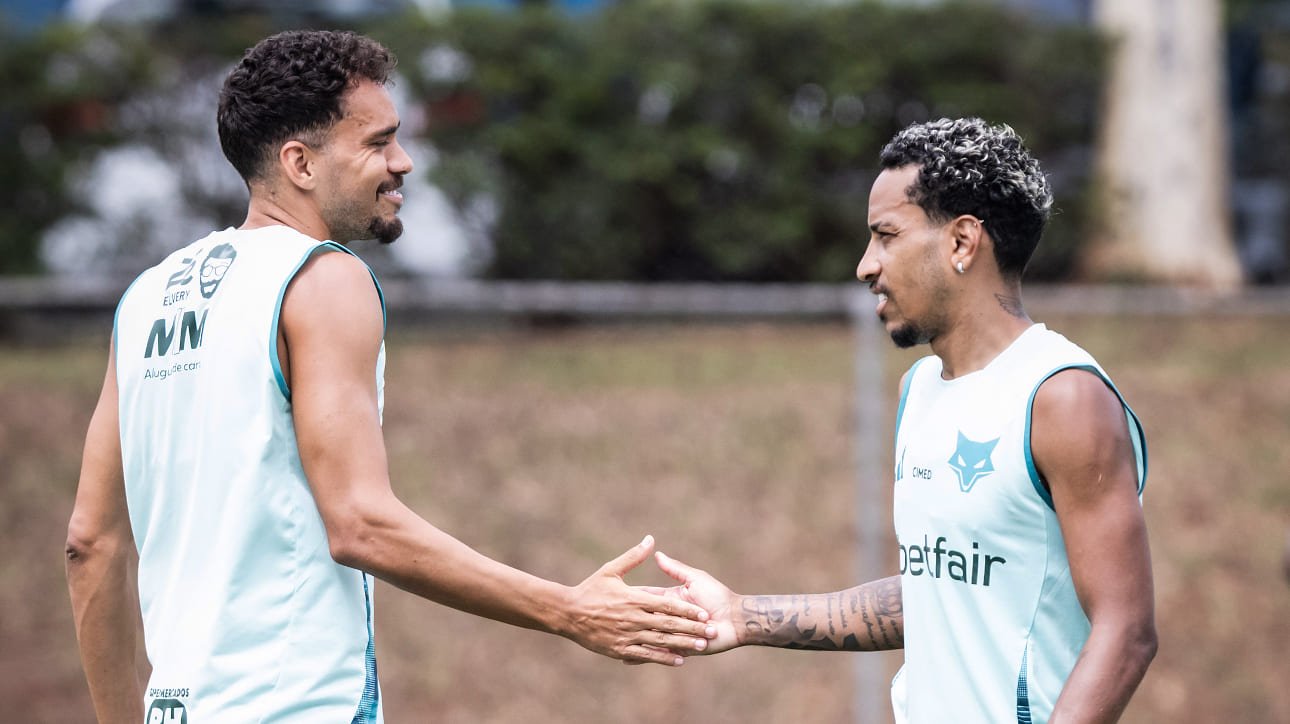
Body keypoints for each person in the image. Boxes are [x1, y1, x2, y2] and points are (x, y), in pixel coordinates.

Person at [64, 30, 713, 723]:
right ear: (300, 163)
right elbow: (360, 525)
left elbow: (89, 543)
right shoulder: (323, 278)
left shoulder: (146, 298)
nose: (402, 162)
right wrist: (567, 610)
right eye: (378, 142)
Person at [651, 118, 1157, 723]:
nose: (866, 266)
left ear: (963, 242)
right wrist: (742, 615)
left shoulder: (1062, 397)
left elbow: (1126, 631)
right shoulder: (919, 390)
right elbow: (938, 597)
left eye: (885, 236)